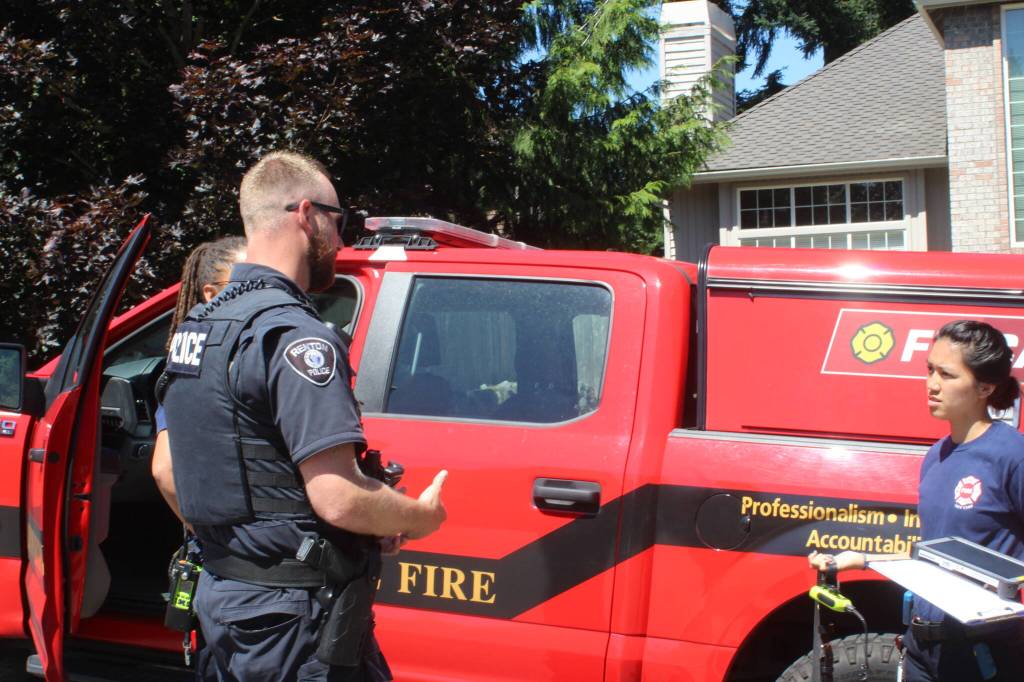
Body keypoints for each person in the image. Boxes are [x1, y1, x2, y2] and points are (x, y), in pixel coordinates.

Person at [159, 150, 448, 682]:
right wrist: (419, 515)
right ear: (307, 214)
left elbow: (175, 469)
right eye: (340, 224)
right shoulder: (296, 337)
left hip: (225, 603)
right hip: (293, 625)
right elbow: (336, 497)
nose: (341, 242)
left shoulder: (196, 330)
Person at [809, 320, 1024, 681]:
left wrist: (1002, 585)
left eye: (947, 374)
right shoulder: (937, 455)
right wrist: (859, 560)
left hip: (981, 652)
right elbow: (933, 554)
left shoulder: (1012, 456)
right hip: (922, 645)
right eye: (929, 370)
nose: (932, 384)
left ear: (985, 386)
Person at [151, 236, 247, 524]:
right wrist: (205, 535)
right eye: (247, 286)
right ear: (210, 294)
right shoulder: (195, 362)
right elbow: (164, 470)